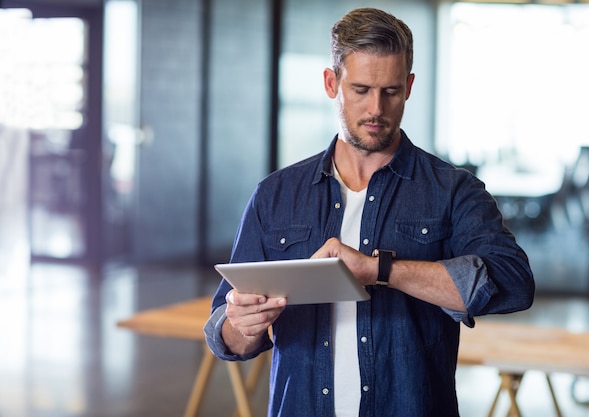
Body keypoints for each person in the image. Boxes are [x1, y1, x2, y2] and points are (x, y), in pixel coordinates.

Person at [205, 7, 534, 417]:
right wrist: (243, 325)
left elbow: (513, 282)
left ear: (409, 86)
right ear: (331, 83)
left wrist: (380, 270)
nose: (376, 108)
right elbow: (225, 335)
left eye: (391, 91)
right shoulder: (275, 194)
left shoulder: (452, 190)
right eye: (360, 89)